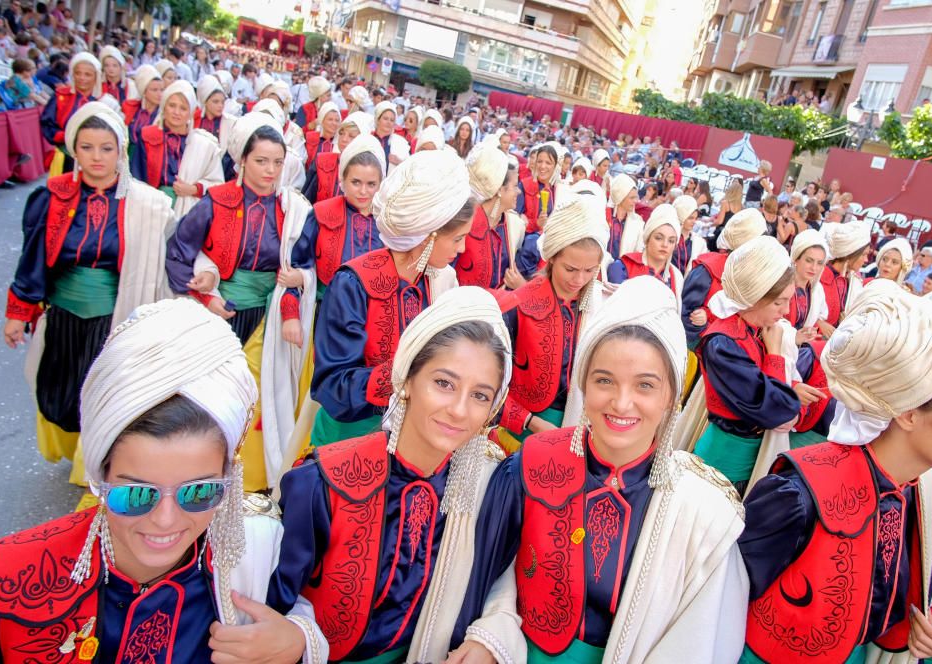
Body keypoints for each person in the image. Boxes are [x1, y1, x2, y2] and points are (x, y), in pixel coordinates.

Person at [0, 298, 326, 663]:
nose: (166, 520)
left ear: (228, 479)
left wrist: (298, 641)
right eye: (136, 495)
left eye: (199, 492)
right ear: (99, 478)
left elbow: (303, 621)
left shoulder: (257, 555)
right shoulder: (9, 573)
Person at [453, 276, 749, 662]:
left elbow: (699, 642)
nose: (622, 403)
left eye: (645, 386)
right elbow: (487, 577)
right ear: (584, 386)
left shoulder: (703, 513)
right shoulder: (531, 463)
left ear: (670, 397)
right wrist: (489, 635)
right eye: (604, 381)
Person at [253, 287, 517, 663]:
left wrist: (489, 636)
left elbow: (506, 576)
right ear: (407, 380)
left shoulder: (486, 489)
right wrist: (299, 636)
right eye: (444, 383)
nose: (459, 410)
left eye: (479, 395)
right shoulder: (324, 482)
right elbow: (275, 604)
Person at [740, 279, 932, 663]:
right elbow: (719, 603)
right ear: (908, 411)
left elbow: (903, 585)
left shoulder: (926, 491)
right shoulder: (799, 493)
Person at [3, 103, 175, 482]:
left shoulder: (147, 205)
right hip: (64, 315)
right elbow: (32, 258)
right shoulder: (51, 197)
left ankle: (95, 468)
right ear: (74, 150)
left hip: (114, 317)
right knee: (59, 397)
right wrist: (19, 312)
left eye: (106, 148)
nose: (97, 157)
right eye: (87, 147)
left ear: (121, 151)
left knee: (103, 398)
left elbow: (165, 263)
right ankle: (80, 449)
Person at [165, 112, 317, 492]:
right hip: (220, 313)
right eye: (261, 160)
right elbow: (179, 251)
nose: (270, 170)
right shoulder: (215, 202)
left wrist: (290, 306)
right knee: (209, 397)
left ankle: (246, 480)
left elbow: (299, 265)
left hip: (269, 316)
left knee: (258, 401)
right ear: (242, 160)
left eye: (278, 162)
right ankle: (198, 471)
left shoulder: (293, 209)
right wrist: (204, 294)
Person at [309, 150, 473, 447]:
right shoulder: (353, 284)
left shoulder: (440, 281)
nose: (461, 250)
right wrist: (408, 374)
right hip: (350, 437)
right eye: (458, 238)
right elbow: (332, 385)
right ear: (428, 236)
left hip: (411, 437)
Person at [695, 236, 832, 493]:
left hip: (747, 456)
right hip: (725, 463)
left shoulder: (754, 328)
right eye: (779, 302)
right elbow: (776, 411)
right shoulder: (723, 344)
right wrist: (776, 356)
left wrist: (791, 387)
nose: (786, 310)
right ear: (754, 297)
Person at [495, 197, 609, 451]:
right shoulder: (519, 306)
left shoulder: (599, 307)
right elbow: (486, 384)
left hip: (580, 428)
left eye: (590, 270)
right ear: (552, 257)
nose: (579, 279)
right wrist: (530, 421)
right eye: (570, 269)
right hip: (522, 431)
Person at [310, 133, 386, 299]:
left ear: (381, 183)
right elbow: (300, 262)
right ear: (342, 179)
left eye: (371, 184)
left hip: (371, 312)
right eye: (356, 182)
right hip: (326, 307)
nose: (363, 191)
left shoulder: (388, 221)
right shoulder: (321, 213)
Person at [130, 80, 224, 215]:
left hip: (189, 213)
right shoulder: (148, 137)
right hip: (151, 209)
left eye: (183, 108)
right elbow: (136, 178)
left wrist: (193, 189)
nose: (176, 112)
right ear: (164, 107)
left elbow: (217, 184)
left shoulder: (202, 144)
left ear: (190, 113)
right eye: (172, 105)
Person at [681, 208, 767, 348]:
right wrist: (705, 323)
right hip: (702, 350)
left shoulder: (755, 275)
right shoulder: (708, 269)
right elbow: (686, 316)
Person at [455, 140, 522, 291]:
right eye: (515, 186)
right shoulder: (466, 223)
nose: (518, 191)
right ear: (499, 189)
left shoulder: (512, 224)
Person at [607, 203, 684, 304]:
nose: (665, 245)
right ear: (647, 238)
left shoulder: (676, 277)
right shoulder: (622, 267)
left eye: (671, 241)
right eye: (659, 238)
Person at [41, 52, 101, 174]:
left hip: (96, 160)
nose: (82, 78)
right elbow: (47, 123)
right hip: (65, 157)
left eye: (88, 74)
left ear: (96, 77)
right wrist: (63, 136)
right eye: (78, 73)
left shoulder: (105, 100)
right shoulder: (61, 96)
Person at [303, 111, 373, 203]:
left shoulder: (369, 171)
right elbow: (306, 201)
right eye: (341, 133)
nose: (344, 139)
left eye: (351, 136)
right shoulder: (322, 161)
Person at [818, 220, 871, 337]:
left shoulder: (853, 281)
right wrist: (818, 323)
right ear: (851, 254)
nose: (866, 260)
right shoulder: (819, 276)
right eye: (863, 254)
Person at [786, 229, 829, 345]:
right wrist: (793, 337)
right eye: (809, 261)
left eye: (819, 263)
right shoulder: (782, 285)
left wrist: (812, 332)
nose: (814, 268)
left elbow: (818, 319)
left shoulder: (817, 290)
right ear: (796, 259)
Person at [515, 143, 560, 234]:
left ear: (555, 166)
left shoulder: (559, 190)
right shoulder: (524, 185)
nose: (543, 166)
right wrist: (536, 223)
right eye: (539, 162)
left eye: (548, 163)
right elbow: (514, 220)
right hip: (528, 242)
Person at [122, 64, 161, 149]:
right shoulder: (131, 108)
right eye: (154, 90)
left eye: (161, 90)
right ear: (143, 91)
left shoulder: (162, 114)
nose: (159, 94)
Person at [606, 173, 644, 259]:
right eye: (631, 198)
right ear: (620, 197)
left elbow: (638, 251)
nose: (635, 201)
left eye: (636, 197)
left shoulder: (638, 222)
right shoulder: (604, 216)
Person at [373, 99, 410, 172]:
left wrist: (399, 162)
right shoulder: (368, 138)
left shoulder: (401, 142)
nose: (388, 122)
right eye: (385, 118)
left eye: (392, 120)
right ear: (378, 119)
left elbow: (409, 169)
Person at [671, 194, 705, 274]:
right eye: (690, 218)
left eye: (695, 218)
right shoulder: (668, 236)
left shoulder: (698, 243)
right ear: (681, 216)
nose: (694, 222)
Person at [302, 99, 339, 169]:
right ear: (322, 121)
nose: (334, 123)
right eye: (330, 119)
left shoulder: (340, 143)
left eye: (337, 120)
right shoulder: (311, 138)